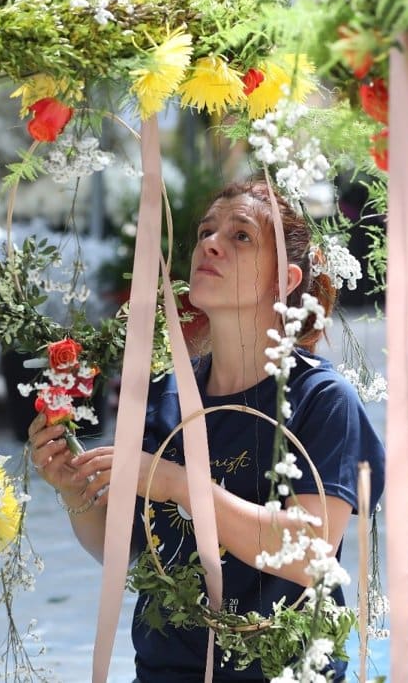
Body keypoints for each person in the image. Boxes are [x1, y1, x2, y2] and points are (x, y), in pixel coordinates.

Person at [29, 179, 387, 680]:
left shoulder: (320, 400)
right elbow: (136, 552)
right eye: (205, 231)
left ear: (284, 279)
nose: (210, 244)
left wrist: (178, 484)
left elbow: (309, 555)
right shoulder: (165, 394)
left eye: (240, 236)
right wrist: (77, 494)